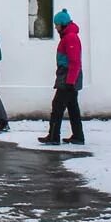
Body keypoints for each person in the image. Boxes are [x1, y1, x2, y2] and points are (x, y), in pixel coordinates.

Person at [39, 8, 85, 145]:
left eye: (57, 24)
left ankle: (53, 136)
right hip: (68, 75)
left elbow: (74, 61)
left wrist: (70, 81)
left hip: (68, 76)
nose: (55, 27)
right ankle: (78, 136)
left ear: (63, 24)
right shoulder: (68, 36)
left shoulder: (70, 37)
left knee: (57, 106)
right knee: (72, 107)